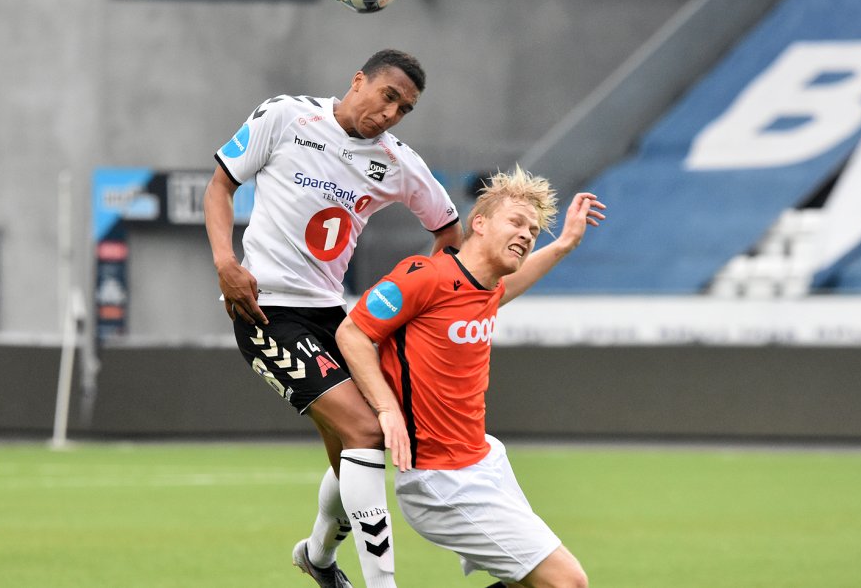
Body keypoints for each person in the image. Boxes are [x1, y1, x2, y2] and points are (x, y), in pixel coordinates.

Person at [203, 49, 462, 588]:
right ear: (358, 80)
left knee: (352, 458)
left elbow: (448, 232)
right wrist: (226, 263)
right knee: (368, 431)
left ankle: (317, 558)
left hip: (336, 320)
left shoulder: (397, 162)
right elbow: (221, 186)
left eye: (404, 109)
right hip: (266, 310)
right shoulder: (286, 116)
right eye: (388, 97)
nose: (391, 114)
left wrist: (416, 300)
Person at [335, 166, 606, 588]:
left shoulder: (487, 289)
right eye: (516, 222)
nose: (526, 234)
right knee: (569, 582)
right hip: (439, 481)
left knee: (531, 584)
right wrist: (387, 409)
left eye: (533, 230)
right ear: (478, 223)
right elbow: (352, 332)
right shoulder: (426, 276)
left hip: (485, 460)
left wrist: (565, 243)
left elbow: (509, 286)